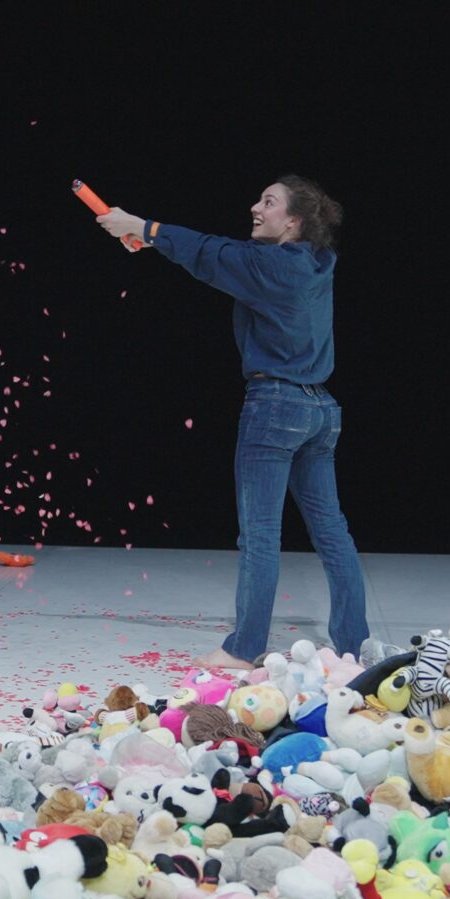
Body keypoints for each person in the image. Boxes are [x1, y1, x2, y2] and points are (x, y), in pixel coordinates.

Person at [95, 176, 368, 671]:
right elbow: (223, 259)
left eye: (269, 202)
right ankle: (353, 643)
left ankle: (244, 649)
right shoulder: (315, 261)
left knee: (261, 534)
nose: (255, 207)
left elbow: (217, 256)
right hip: (321, 411)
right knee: (332, 531)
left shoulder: (273, 267)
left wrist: (142, 227)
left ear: (295, 221)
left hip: (278, 407)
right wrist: (155, 242)